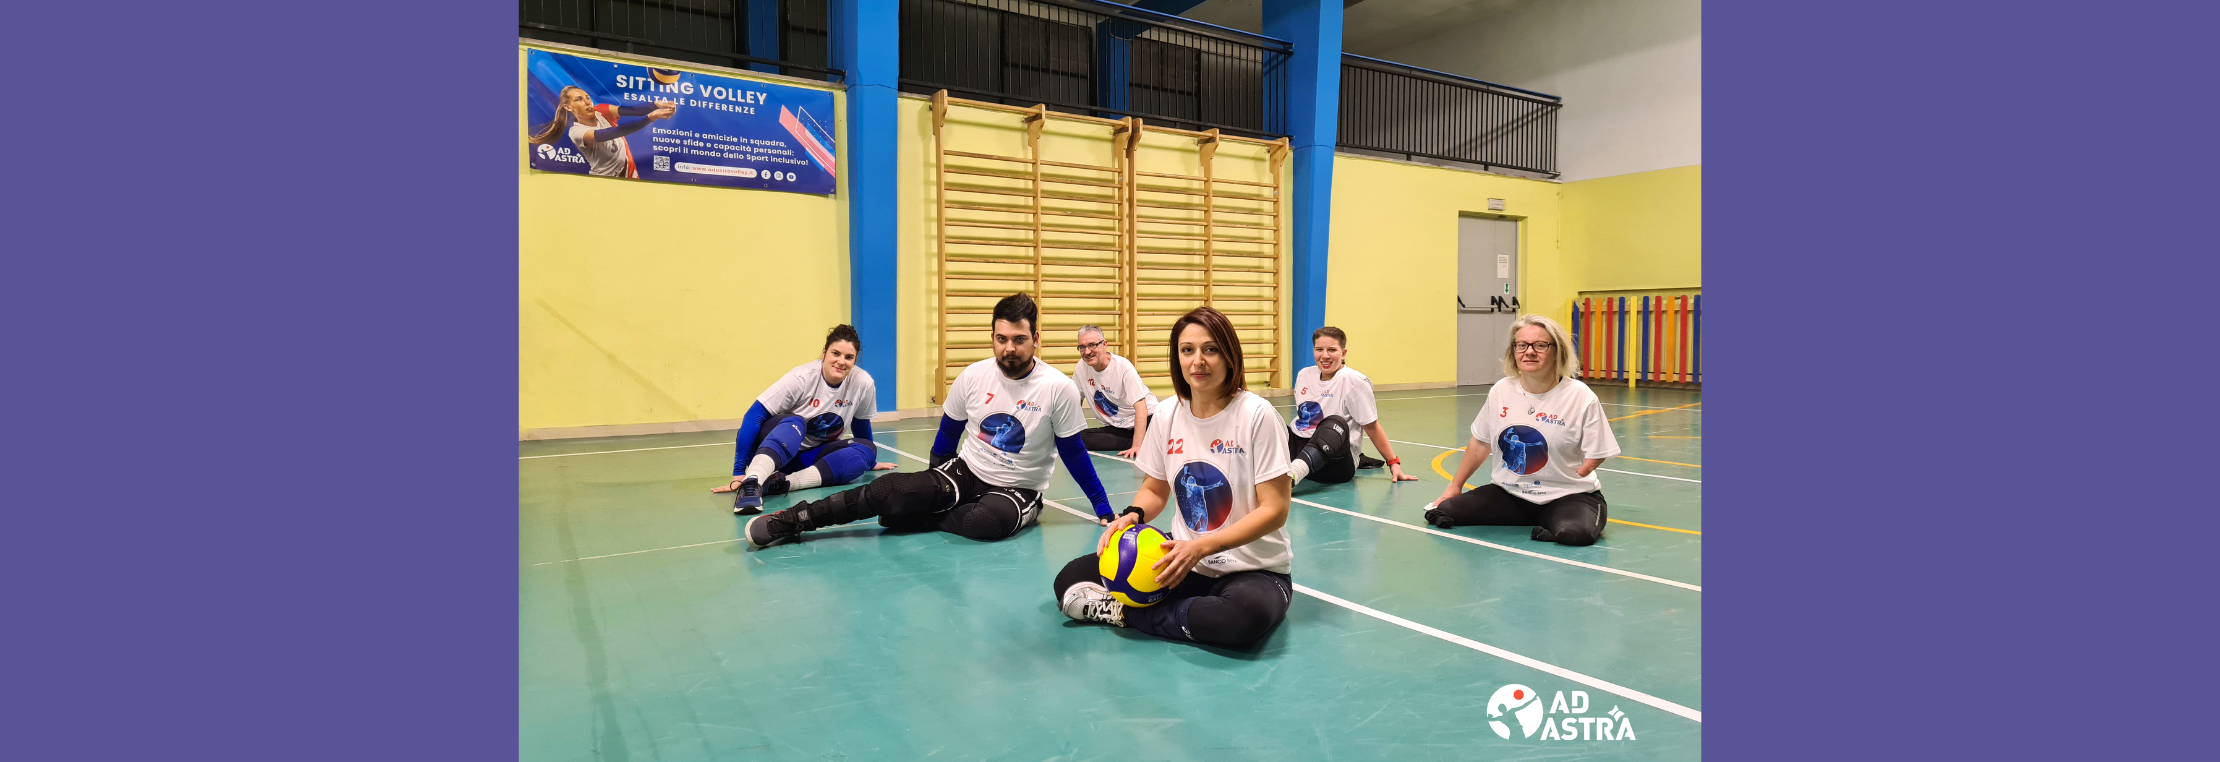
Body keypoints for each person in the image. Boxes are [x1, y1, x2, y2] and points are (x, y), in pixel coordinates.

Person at [744, 293, 1116, 547]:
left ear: (1036, 339)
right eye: (1001, 338)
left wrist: (1102, 506)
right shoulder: (973, 376)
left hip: (1018, 489)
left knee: (985, 524)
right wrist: (930, 482)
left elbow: (1074, 453)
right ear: (992, 337)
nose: (1009, 348)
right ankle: (792, 521)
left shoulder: (1058, 388)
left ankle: (919, 517)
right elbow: (948, 434)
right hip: (966, 471)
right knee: (884, 490)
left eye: (1019, 339)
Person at [1054, 306, 1295, 649]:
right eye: (1187, 350)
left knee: (1241, 619)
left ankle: (1126, 614)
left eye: (1210, 349)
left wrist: (1200, 548)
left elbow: (1275, 510)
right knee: (1071, 578)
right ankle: (1180, 614)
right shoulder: (1166, 414)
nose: (1198, 361)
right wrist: (1132, 516)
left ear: (1229, 355)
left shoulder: (1257, 415)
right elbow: (1155, 489)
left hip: (1253, 566)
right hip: (1185, 555)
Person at [1424, 314, 1621, 546]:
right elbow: (1480, 443)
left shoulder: (1580, 395)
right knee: (1444, 511)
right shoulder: (1501, 390)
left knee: (1575, 534)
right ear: (1513, 351)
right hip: (1511, 494)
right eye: (1521, 345)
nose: (1529, 352)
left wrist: (1587, 466)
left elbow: (1600, 450)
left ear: (1557, 351)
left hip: (1567, 496)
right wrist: (1454, 487)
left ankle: (1554, 526)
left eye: (1540, 345)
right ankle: (1539, 521)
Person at [713, 325, 896, 514]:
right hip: (773, 448)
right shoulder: (800, 378)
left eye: (848, 357)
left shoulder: (863, 383)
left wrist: (871, 461)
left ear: (855, 360)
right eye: (836, 353)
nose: (841, 361)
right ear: (824, 353)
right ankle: (752, 482)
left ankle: (782, 484)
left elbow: (860, 422)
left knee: (867, 449)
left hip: (807, 457)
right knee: (796, 423)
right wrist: (738, 473)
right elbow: (753, 416)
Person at [1283, 327, 1419, 487]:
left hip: (1334, 462)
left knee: (1334, 423)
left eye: (1332, 350)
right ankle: (1284, 469)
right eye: (1320, 349)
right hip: (1297, 448)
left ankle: (1289, 478)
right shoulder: (1304, 375)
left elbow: (1372, 427)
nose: (1325, 355)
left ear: (1344, 353)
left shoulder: (1354, 381)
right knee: (1267, 416)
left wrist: (1393, 462)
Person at [528, 85, 676, 178]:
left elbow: (632, 110)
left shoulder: (602, 110)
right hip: (605, 180)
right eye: (579, 99)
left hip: (629, 174)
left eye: (587, 98)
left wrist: (656, 104)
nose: (587, 102)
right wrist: (651, 118)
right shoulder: (577, 132)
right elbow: (616, 132)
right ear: (568, 107)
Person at [1069, 324, 1156, 457]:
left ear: (1104, 345)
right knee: (1079, 438)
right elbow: (1075, 402)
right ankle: (1145, 442)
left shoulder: (1123, 368)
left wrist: (1137, 446)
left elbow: (1142, 409)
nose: (1087, 352)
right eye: (1082, 347)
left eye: (1092, 345)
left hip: (1148, 420)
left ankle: (1143, 441)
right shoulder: (1081, 367)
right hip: (1120, 427)